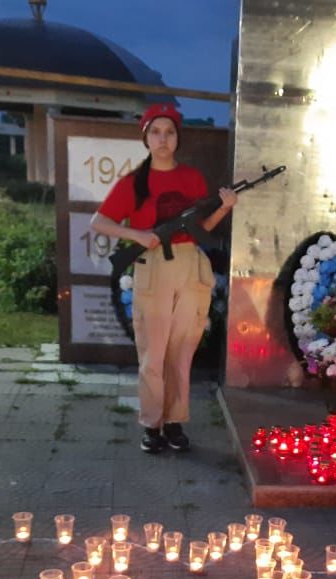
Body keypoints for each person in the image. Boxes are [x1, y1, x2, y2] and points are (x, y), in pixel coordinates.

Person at [91, 104, 237, 454]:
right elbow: (98, 222)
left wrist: (224, 207)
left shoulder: (192, 179)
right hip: (154, 266)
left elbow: (202, 229)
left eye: (169, 132)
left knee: (182, 351)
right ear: (145, 137)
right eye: (155, 131)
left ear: (177, 138)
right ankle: (151, 424)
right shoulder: (134, 182)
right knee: (152, 353)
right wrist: (139, 236)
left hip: (190, 266)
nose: (163, 139)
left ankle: (174, 422)